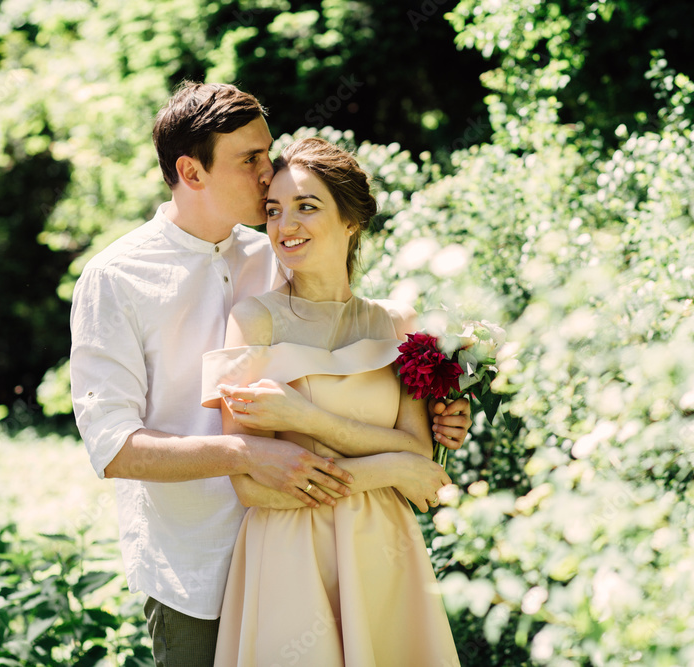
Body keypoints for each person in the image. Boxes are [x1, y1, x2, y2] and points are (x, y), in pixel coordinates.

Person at [69, 82, 472, 667]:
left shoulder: (277, 253)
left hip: (323, 538)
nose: (268, 173)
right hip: (197, 562)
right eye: (251, 159)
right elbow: (113, 447)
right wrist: (246, 453)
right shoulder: (115, 278)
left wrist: (437, 405)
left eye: (268, 152)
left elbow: (349, 358)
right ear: (191, 171)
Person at [202, 137, 462, 666]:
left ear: (351, 220)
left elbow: (420, 452)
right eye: (273, 210)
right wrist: (392, 467)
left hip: (383, 543)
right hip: (290, 549)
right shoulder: (253, 321)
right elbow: (251, 486)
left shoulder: (397, 322)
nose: (285, 225)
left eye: (306, 206)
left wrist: (306, 418)